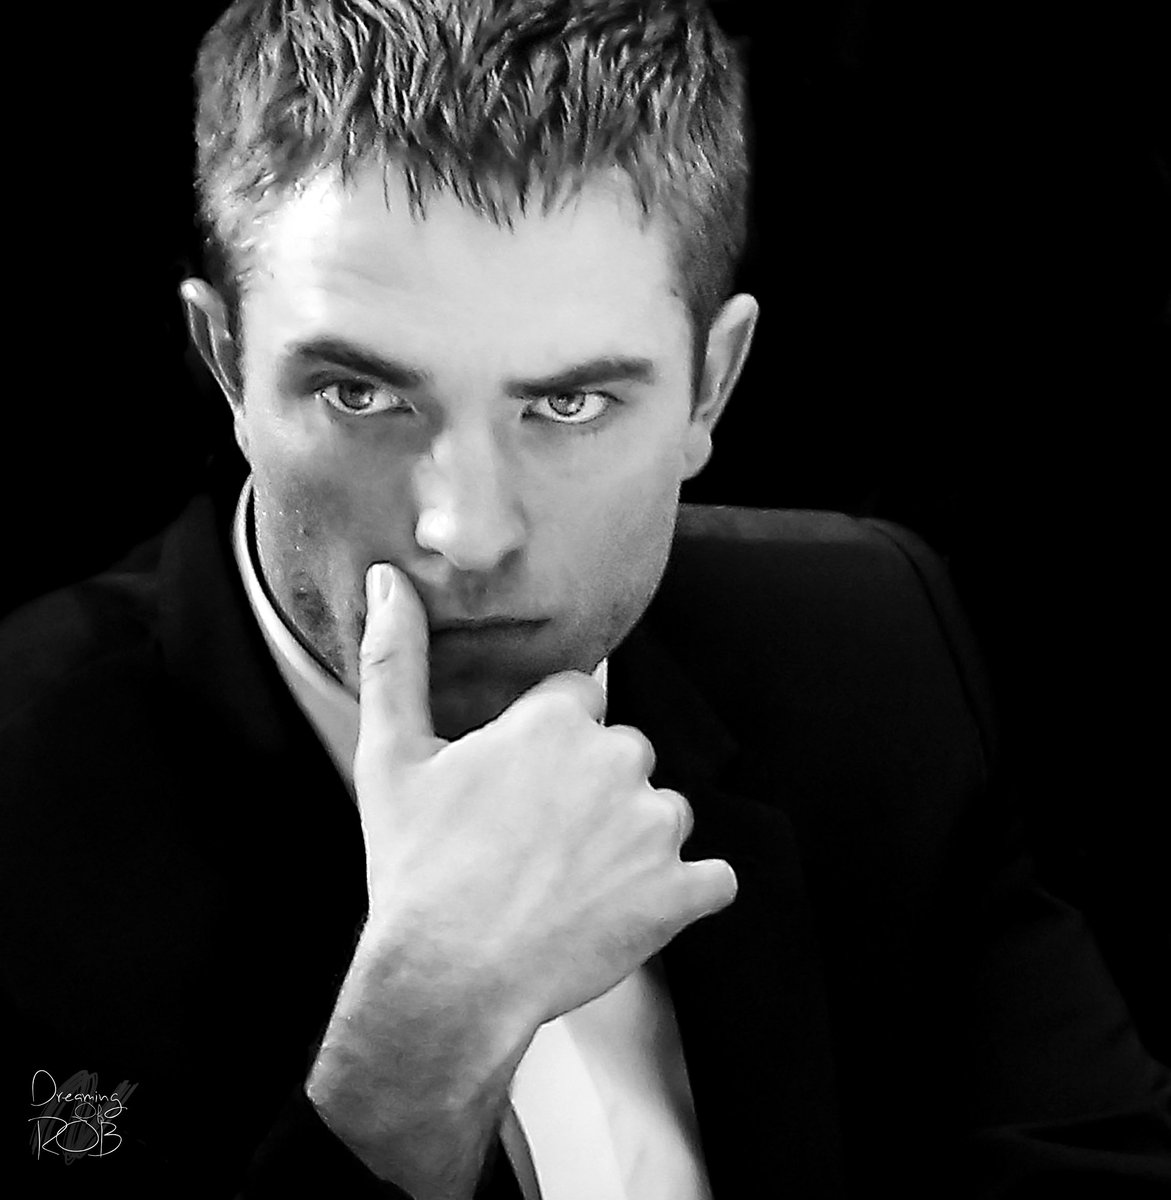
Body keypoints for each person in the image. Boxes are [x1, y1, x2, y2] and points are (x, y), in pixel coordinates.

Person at [2, 2, 1168, 1197]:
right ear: (226, 369)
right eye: (361, 396)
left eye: (566, 405)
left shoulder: (867, 646)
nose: (466, 531)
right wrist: (413, 1060)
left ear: (711, 387)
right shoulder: (19, 805)